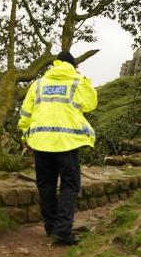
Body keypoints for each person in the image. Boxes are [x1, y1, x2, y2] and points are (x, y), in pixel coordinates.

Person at [17, 51, 97, 246]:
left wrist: (24, 135)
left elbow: (26, 113)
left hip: (40, 141)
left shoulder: (38, 84)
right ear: (72, 65)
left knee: (46, 185)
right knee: (70, 185)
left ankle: (50, 228)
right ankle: (62, 231)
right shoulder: (77, 81)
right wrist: (83, 77)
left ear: (55, 64)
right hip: (66, 142)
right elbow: (91, 104)